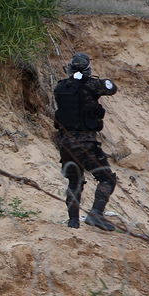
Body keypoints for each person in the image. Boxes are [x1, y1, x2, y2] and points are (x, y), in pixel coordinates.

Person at [52, 52, 119, 230]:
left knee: (75, 181)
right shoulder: (93, 85)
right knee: (107, 179)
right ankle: (96, 214)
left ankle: (73, 221)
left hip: (65, 143)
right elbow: (112, 88)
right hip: (87, 143)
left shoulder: (60, 87)